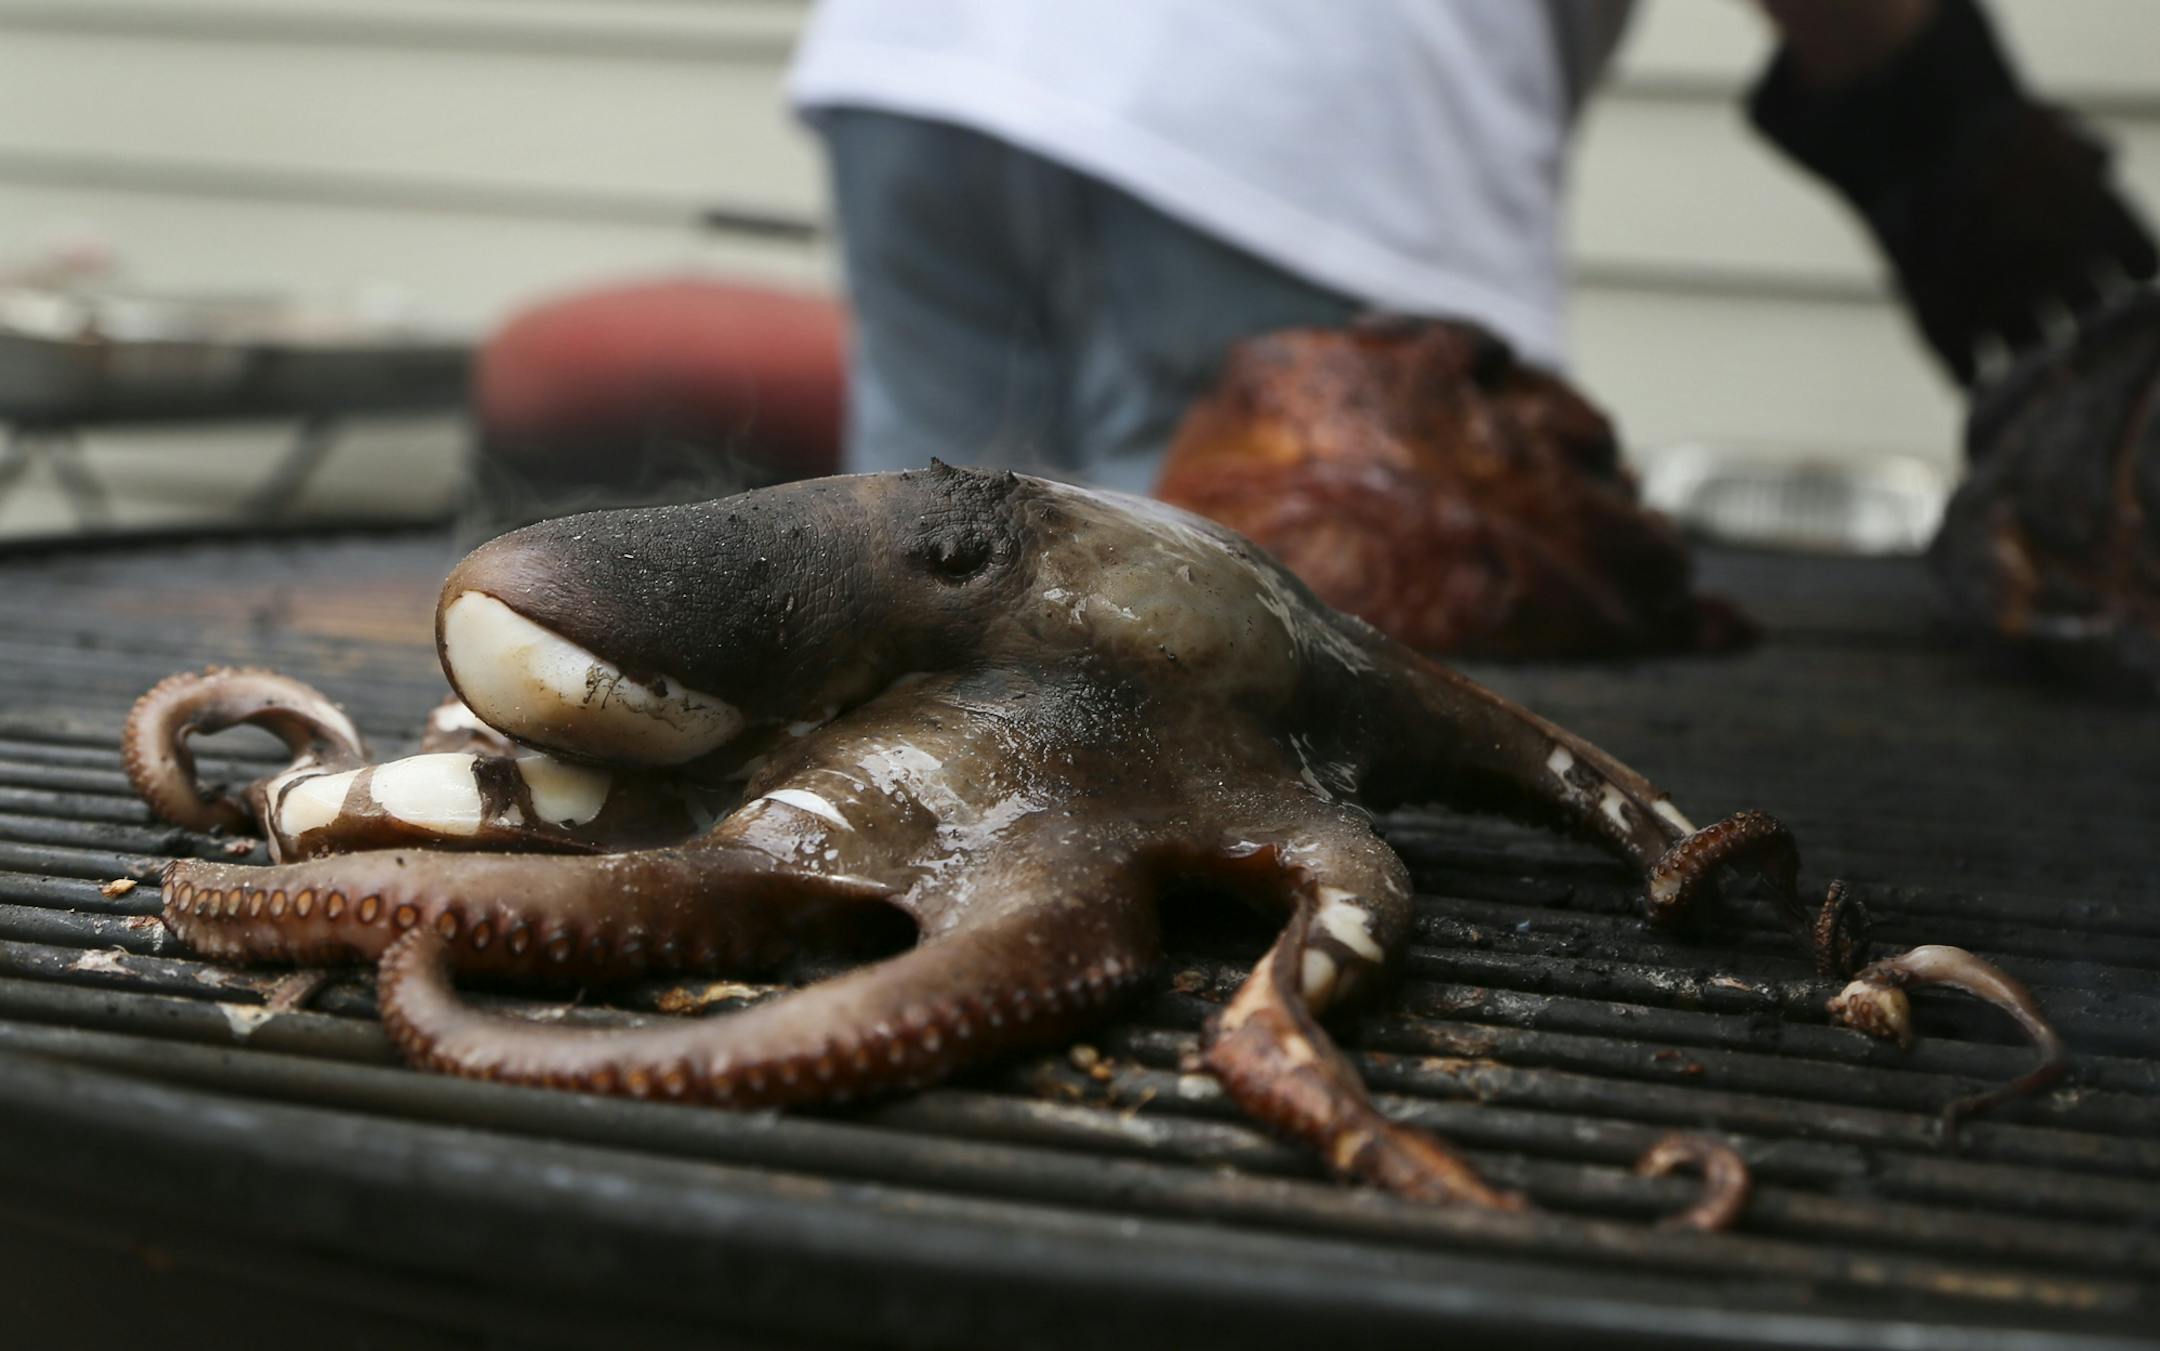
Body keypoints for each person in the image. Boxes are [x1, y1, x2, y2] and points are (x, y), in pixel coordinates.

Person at [787, 0, 2156, 492]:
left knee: (920, 598)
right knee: (1257, 673)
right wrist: (1951, 123)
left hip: (920, 64)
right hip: (1290, 108)